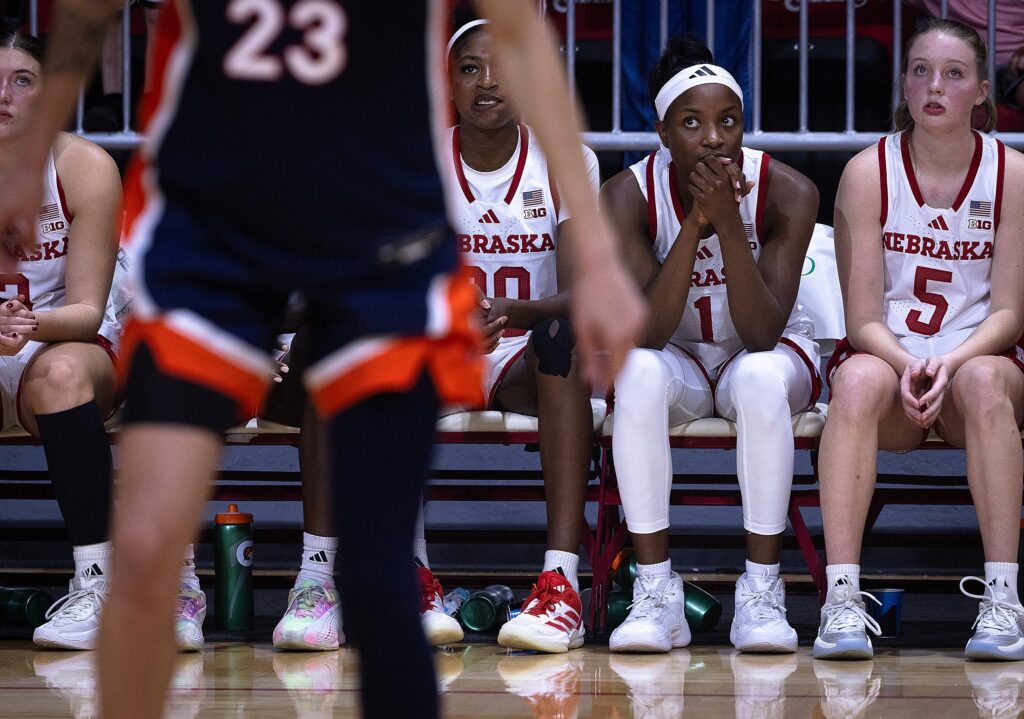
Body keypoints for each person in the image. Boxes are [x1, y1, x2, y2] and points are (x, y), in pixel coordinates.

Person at [0, 3, 644, 719]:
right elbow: (87, 15)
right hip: (214, 228)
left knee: (375, 570)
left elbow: (520, 34)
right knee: (148, 550)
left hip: (379, 228)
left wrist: (591, 250)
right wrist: (31, 158)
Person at [600, 34, 820, 654]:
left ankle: (761, 592)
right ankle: (656, 592)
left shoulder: (789, 191)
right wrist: (697, 223)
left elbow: (761, 333)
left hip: (769, 355)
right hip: (682, 356)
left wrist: (727, 224)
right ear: (662, 134)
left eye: (729, 121)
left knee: (755, 376)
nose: (715, 137)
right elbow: (648, 330)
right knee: (638, 370)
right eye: (692, 123)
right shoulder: (625, 196)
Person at [816, 18, 1024, 661]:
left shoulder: (1012, 174)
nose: (934, 85)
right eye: (920, 71)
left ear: (982, 92)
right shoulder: (865, 171)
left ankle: (1002, 601)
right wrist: (911, 364)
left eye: (954, 74)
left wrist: (952, 362)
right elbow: (861, 319)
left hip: (975, 365)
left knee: (988, 379)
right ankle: (841, 601)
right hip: (889, 359)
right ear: (903, 85)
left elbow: (1011, 312)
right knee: (852, 378)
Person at [441, 13, 600, 654]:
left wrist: (513, 312)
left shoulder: (567, 160)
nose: (487, 82)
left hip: (522, 356)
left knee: (564, 336)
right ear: (448, 81)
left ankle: (559, 582)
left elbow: (581, 291)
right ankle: (411, 576)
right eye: (471, 68)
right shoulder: (418, 160)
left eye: (504, 68)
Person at [0, 27, 123, 651]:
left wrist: (23, 328)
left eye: (22, 81)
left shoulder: (82, 166)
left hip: (64, 339)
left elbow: (84, 310)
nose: (3, 96)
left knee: (62, 376)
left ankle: (98, 583)